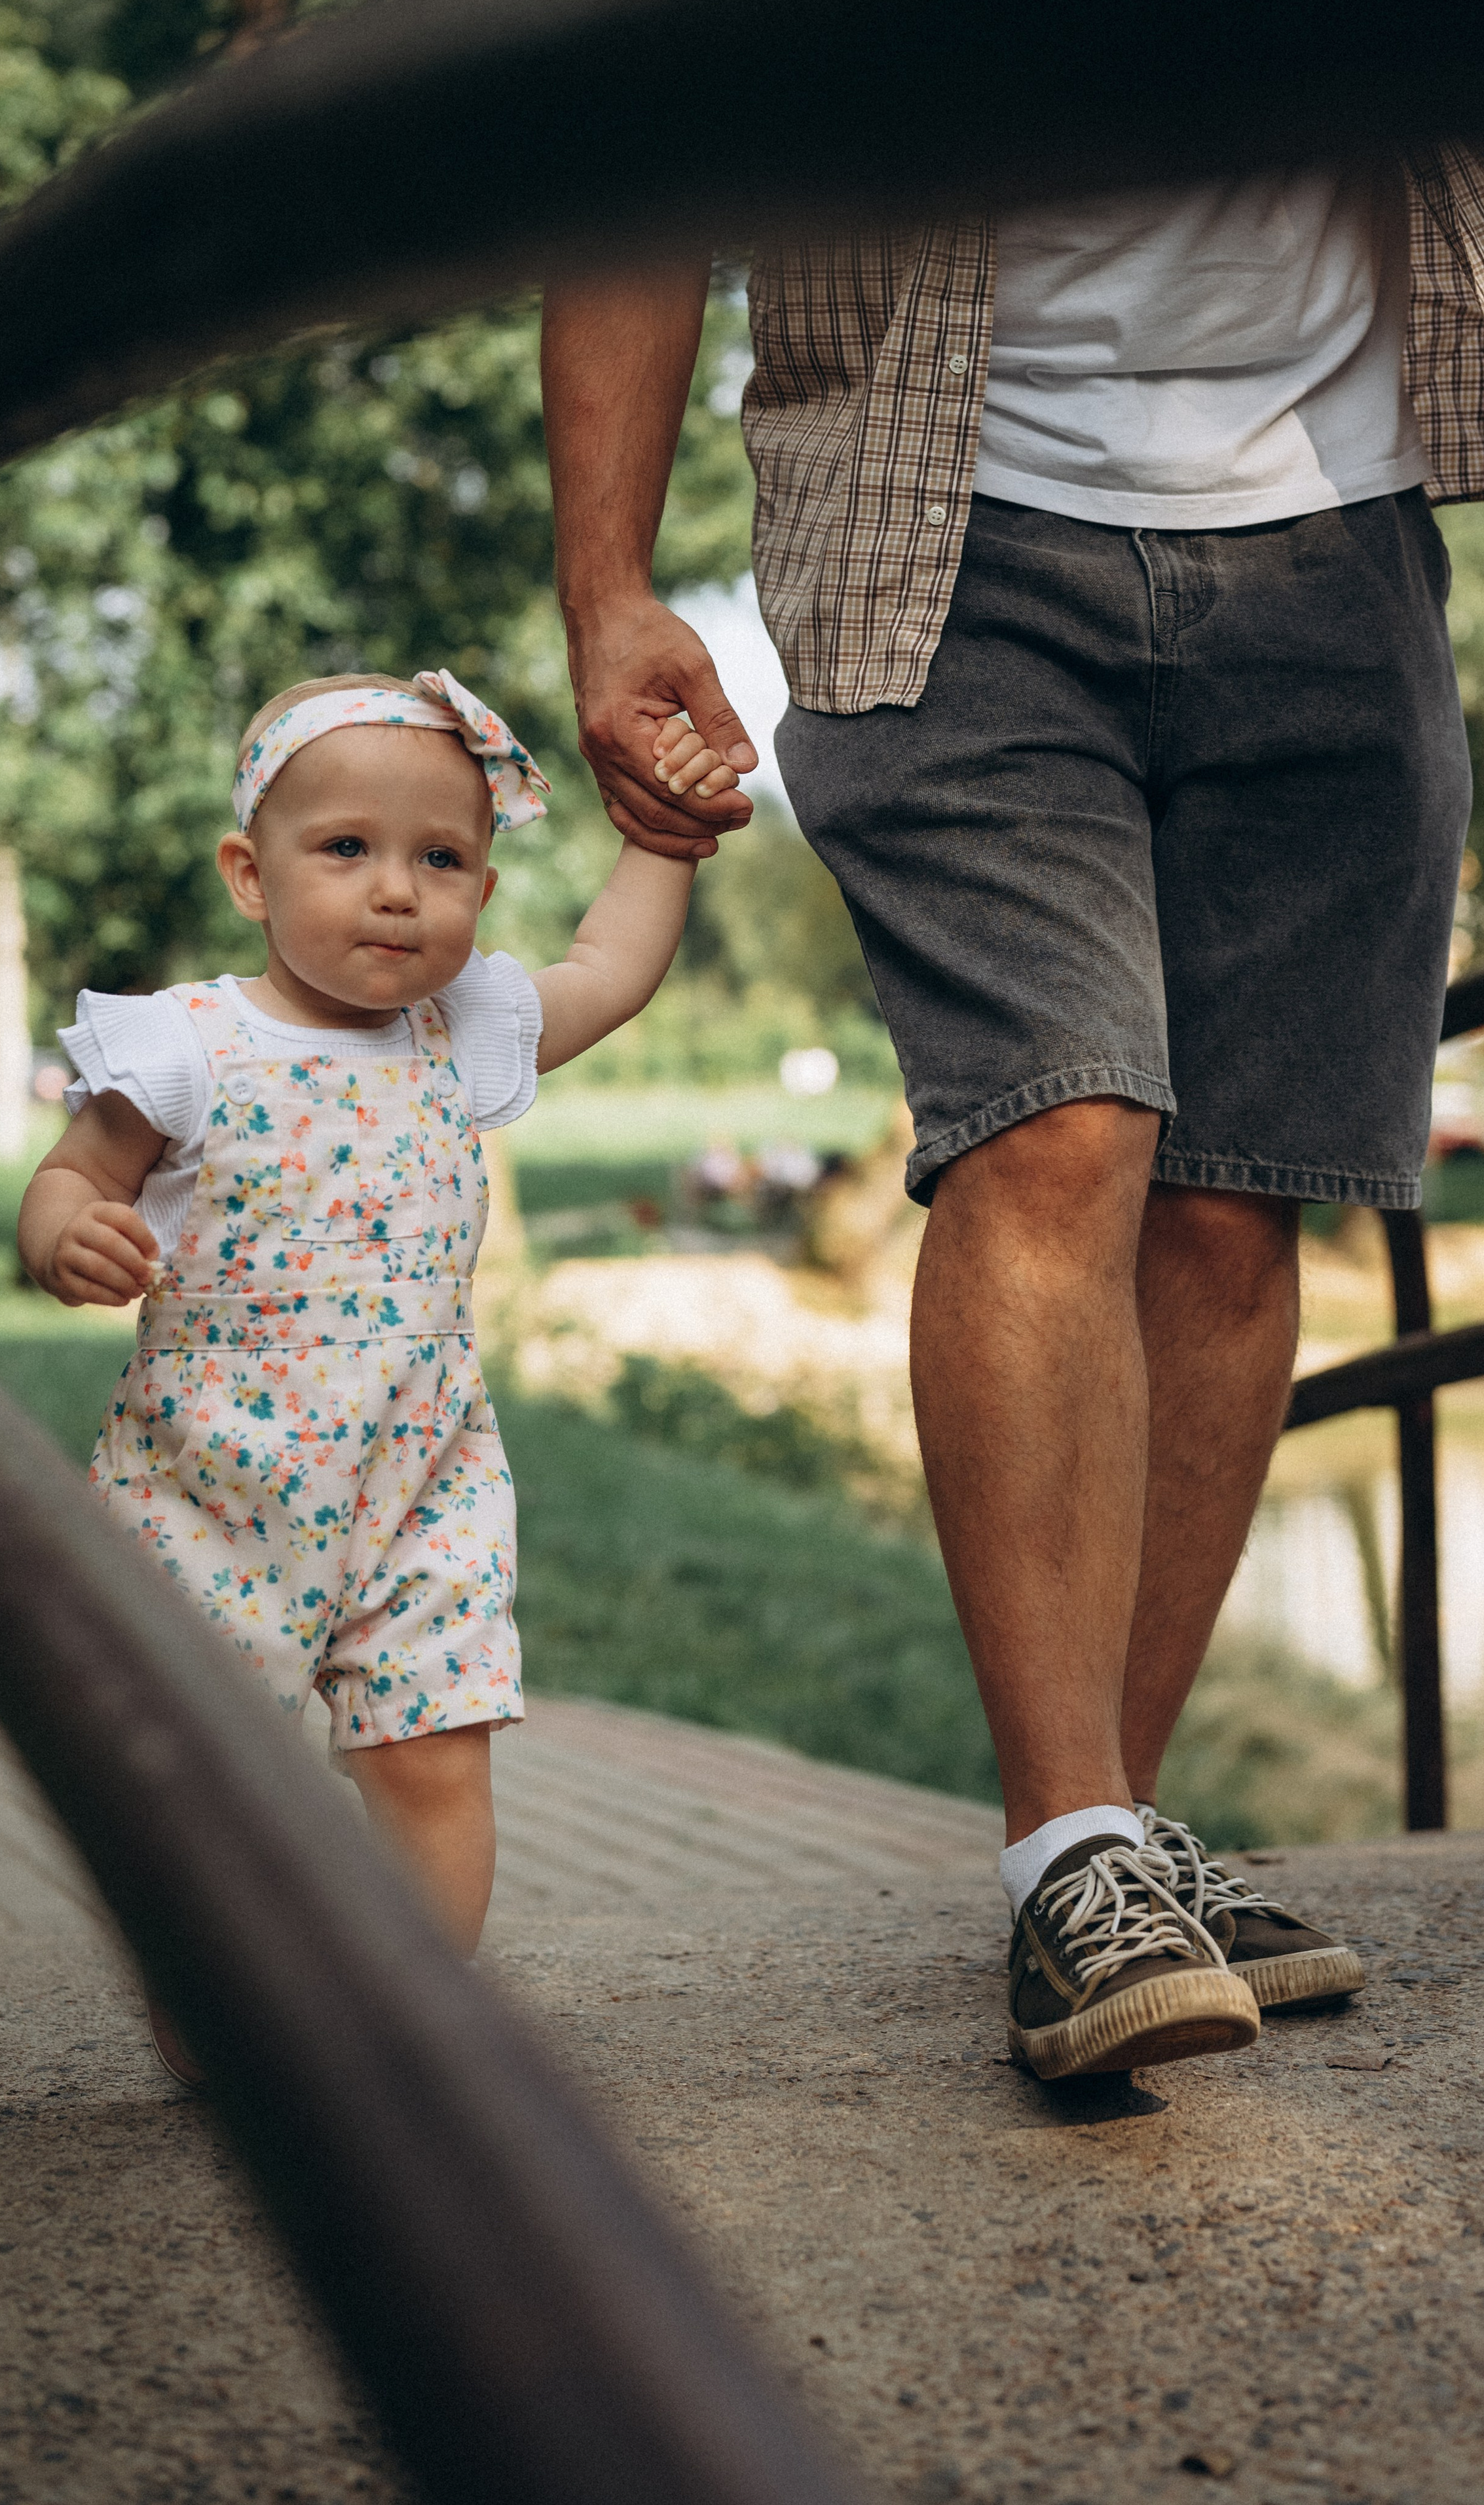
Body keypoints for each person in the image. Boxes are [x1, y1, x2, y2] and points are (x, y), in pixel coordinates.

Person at [542, 151, 1484, 2082]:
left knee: (1240, 1199)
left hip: (1343, 533)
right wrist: (609, 582)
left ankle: (1114, 1844)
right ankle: (1067, 1841)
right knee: (1062, 1126)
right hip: (943, 531)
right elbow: (638, 147)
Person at [18, 669, 695, 2082]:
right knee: (205, 1785)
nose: (396, 891)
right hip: (211, 1492)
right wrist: (66, 1233)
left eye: (439, 859)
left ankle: (407, 2023)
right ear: (248, 875)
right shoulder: (186, 1045)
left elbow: (610, 968)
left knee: (433, 1752)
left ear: (481, 889)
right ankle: (209, 2007)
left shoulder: (461, 1037)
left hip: (419, 1479)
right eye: (346, 849)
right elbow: (76, 1172)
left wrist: (665, 837)